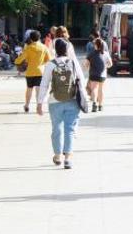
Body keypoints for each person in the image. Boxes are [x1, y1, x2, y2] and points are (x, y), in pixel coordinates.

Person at [37, 39, 86, 169]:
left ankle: (58, 155)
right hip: (72, 100)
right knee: (69, 129)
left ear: (55, 49)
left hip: (55, 101)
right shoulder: (73, 63)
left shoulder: (50, 64)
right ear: (68, 49)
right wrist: (85, 98)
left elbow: (44, 84)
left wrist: (39, 102)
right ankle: (68, 159)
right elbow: (81, 81)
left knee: (56, 128)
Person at [14, 30, 52, 113]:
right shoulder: (44, 47)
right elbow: (49, 59)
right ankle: (39, 106)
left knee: (29, 89)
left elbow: (21, 59)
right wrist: (42, 63)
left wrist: (16, 61)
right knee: (38, 90)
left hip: (30, 72)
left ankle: (27, 105)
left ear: (30, 38)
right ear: (39, 38)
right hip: (40, 71)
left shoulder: (28, 48)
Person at [86, 38, 111, 112]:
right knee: (101, 89)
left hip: (93, 74)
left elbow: (86, 64)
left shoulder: (91, 53)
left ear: (96, 45)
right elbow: (110, 64)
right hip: (102, 74)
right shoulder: (105, 53)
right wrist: (105, 67)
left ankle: (94, 104)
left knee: (94, 89)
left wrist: (88, 68)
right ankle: (100, 105)